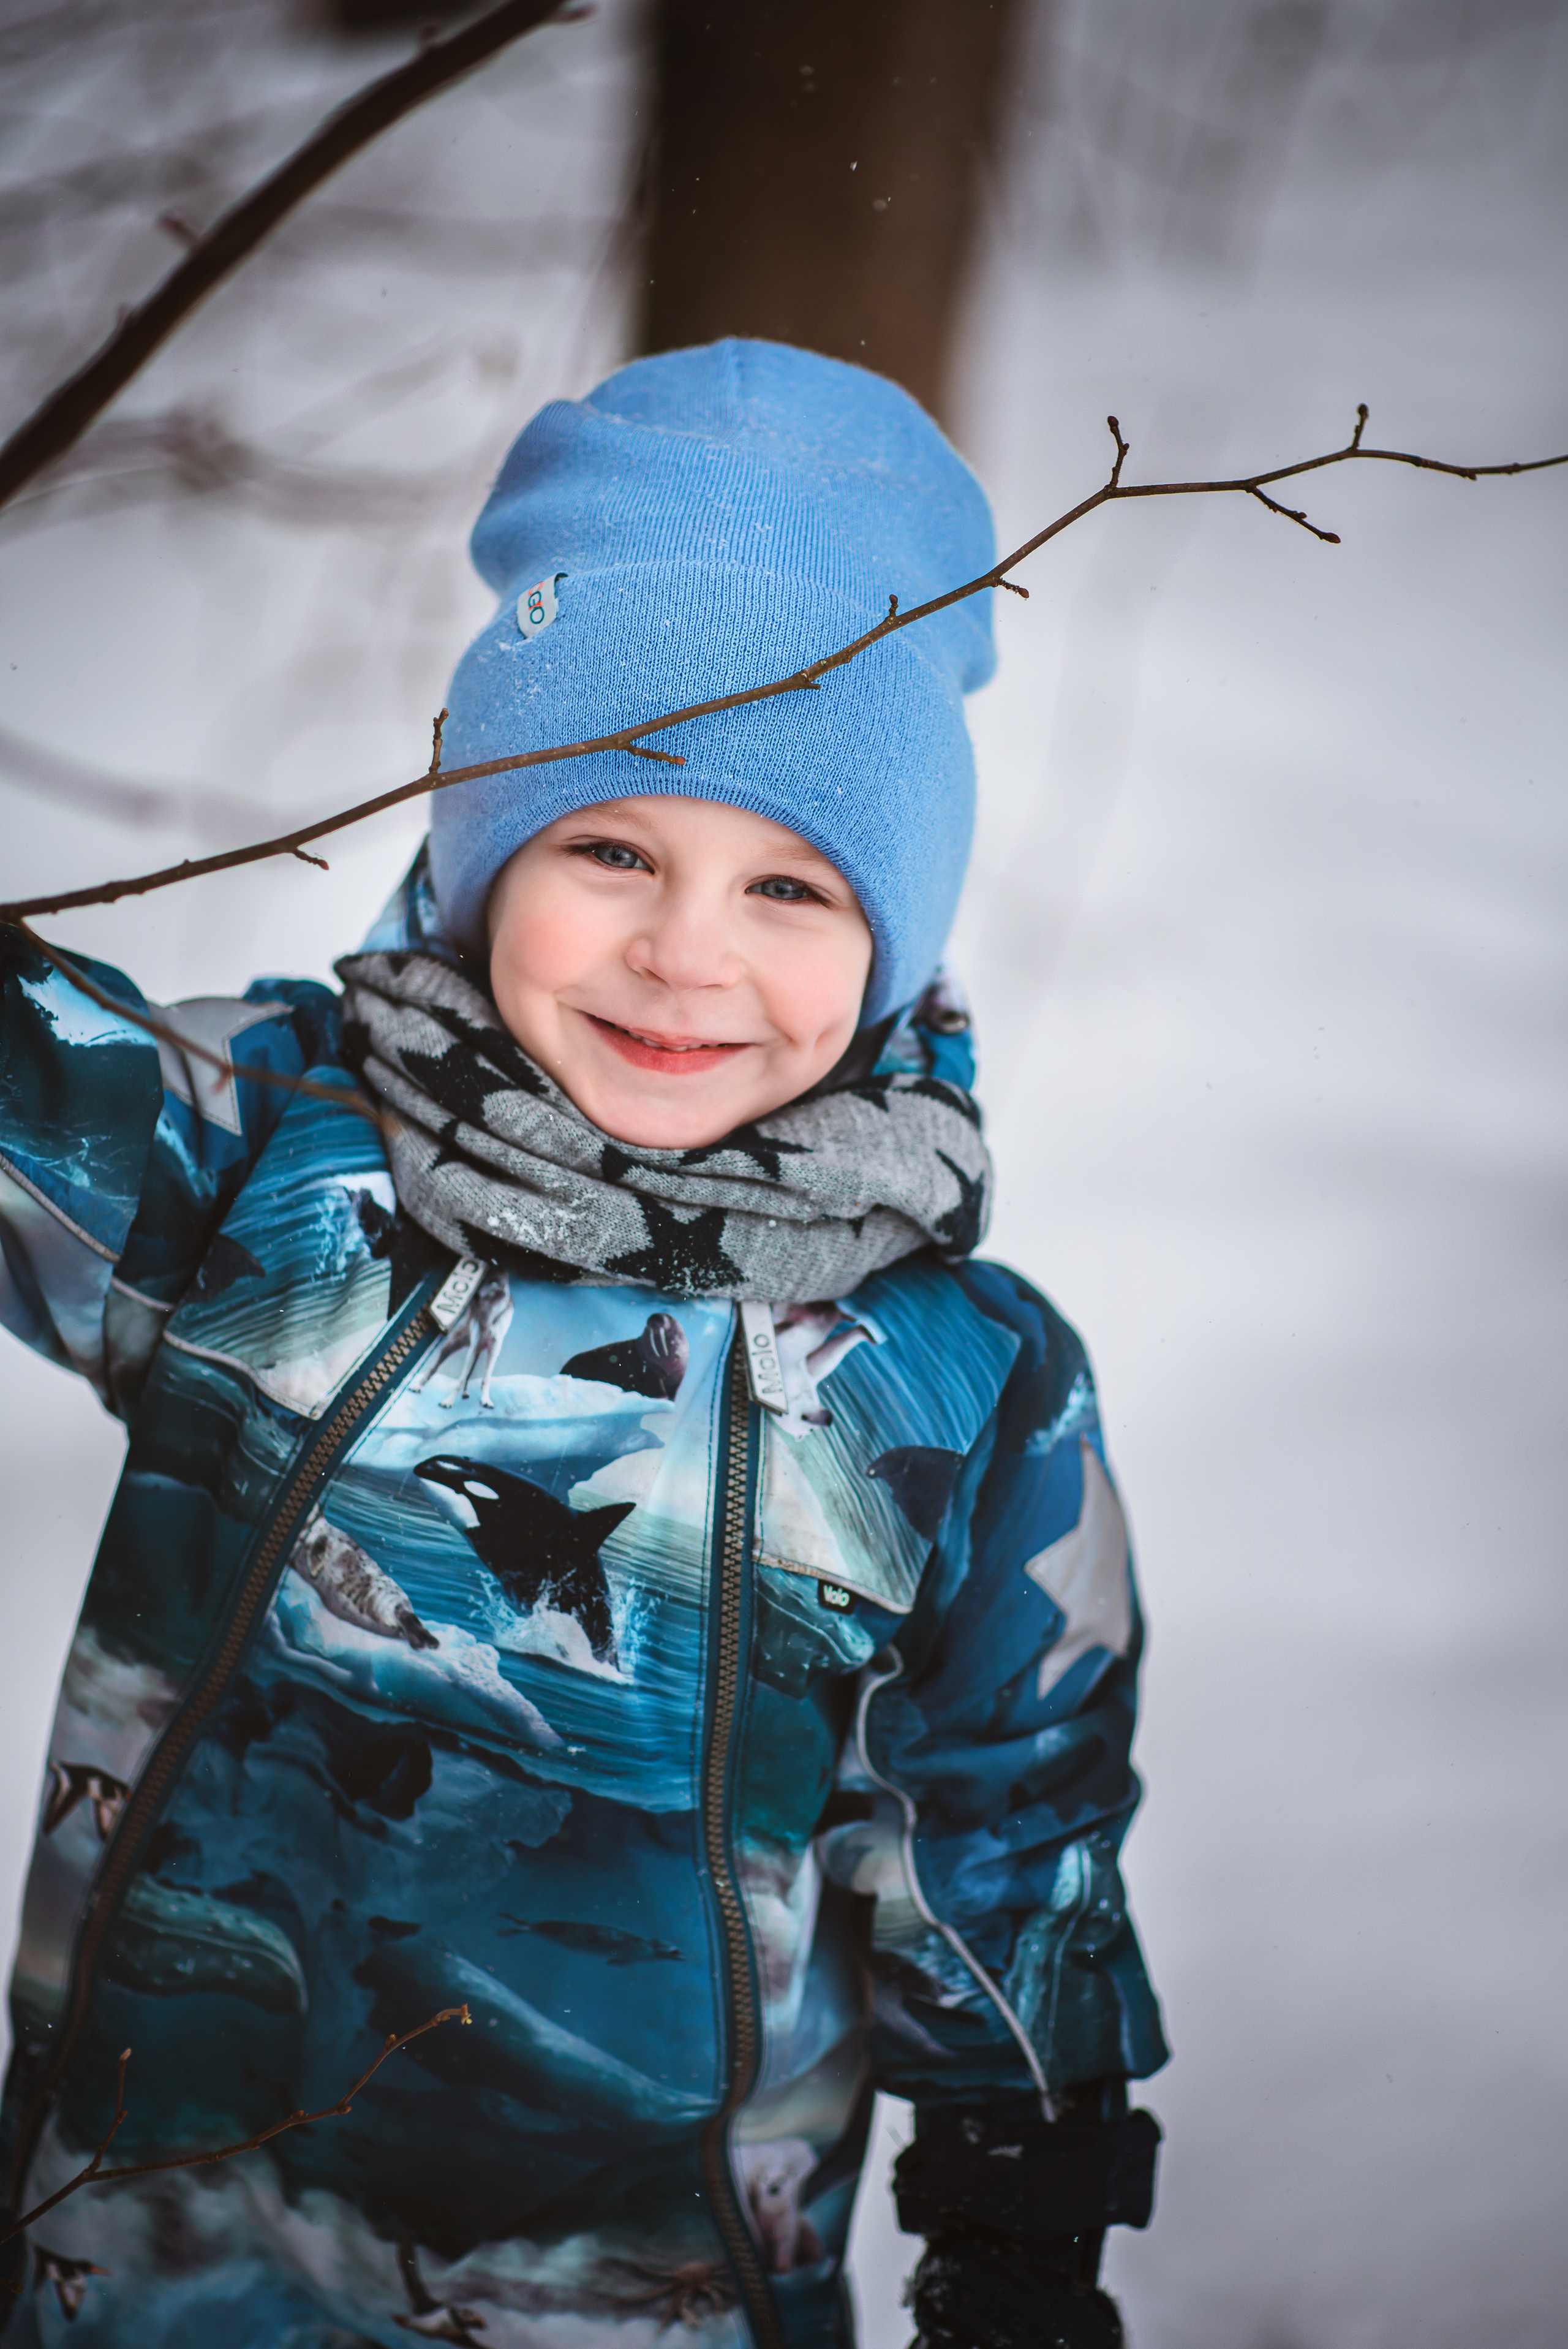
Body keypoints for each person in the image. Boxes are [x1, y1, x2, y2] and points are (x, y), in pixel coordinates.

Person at [0, 340, 1166, 2349]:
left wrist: (1020, 2223)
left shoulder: (955, 1386)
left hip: (643, 2303)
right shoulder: (259, 1158)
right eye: (611, 845)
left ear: (895, 940)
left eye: (792, 883)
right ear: (484, 856)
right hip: (143, 2258)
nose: (687, 950)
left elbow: (1012, 1822)